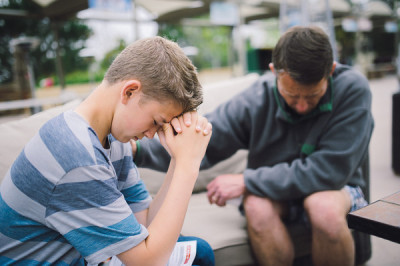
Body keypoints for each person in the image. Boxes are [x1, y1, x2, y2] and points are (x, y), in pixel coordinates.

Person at [133, 26, 374, 266]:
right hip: (274, 192)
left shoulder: (353, 89)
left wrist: (247, 181)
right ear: (273, 72)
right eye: (291, 95)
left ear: (330, 71)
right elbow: (205, 139)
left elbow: (330, 171)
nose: (301, 106)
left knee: (323, 208)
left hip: (337, 188)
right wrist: (138, 151)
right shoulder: (256, 98)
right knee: (257, 207)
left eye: (312, 96)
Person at [0, 37, 215, 266]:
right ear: (130, 92)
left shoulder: (113, 140)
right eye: (156, 121)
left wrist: (176, 159)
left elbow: (145, 224)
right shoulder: (75, 154)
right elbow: (147, 263)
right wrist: (188, 165)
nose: (152, 134)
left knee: (198, 252)